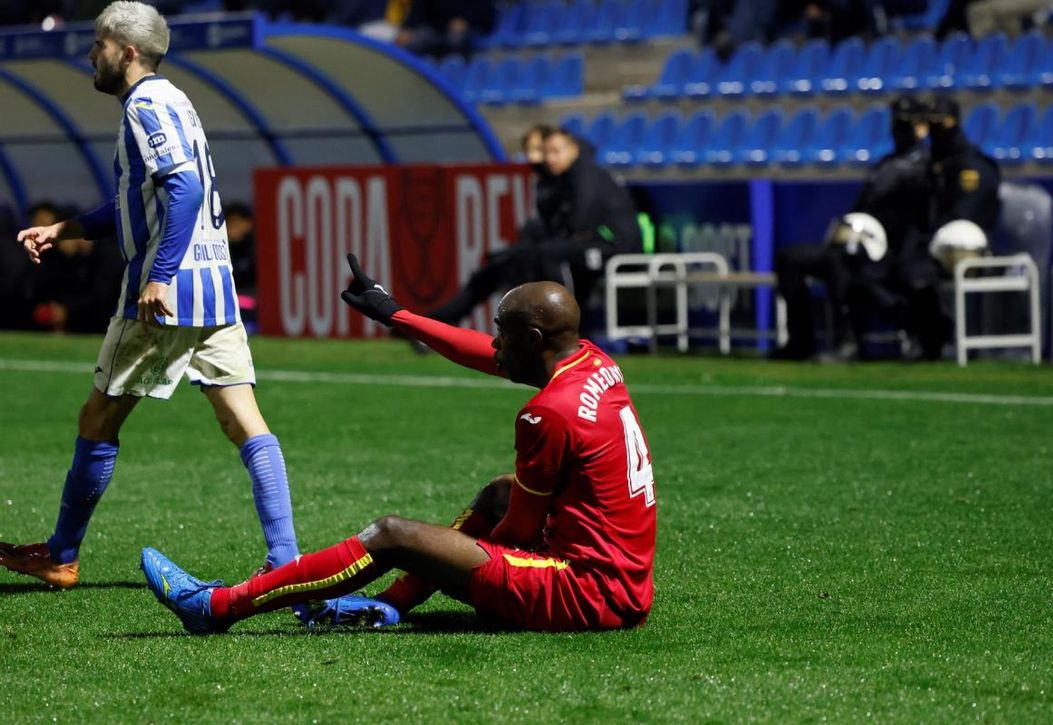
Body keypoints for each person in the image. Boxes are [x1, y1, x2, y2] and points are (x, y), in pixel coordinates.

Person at [0, 2, 379, 624]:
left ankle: (61, 554)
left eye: (97, 45)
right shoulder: (175, 100)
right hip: (216, 287)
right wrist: (63, 229)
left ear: (125, 51)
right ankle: (285, 559)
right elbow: (140, 200)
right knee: (244, 420)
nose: (89, 55)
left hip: (169, 292)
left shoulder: (145, 106)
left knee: (97, 417)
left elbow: (184, 188)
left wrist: (159, 274)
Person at [140, 259, 657, 634]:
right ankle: (387, 607)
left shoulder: (547, 413)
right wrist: (397, 315)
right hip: (623, 585)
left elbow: (519, 535)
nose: (494, 345)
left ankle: (219, 606)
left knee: (392, 534)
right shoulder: (591, 361)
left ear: (535, 339)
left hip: (584, 594)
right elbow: (487, 357)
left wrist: (449, 561)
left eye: (503, 335)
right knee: (501, 491)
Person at [428, 127, 641, 333]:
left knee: (545, 254)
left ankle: (562, 324)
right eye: (542, 152)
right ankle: (451, 321)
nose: (543, 158)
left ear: (572, 150)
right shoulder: (557, 180)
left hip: (615, 247)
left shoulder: (585, 174)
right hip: (588, 246)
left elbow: (581, 222)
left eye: (552, 151)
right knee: (512, 258)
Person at [771, 96, 931, 361]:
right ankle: (800, 341)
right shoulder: (886, 164)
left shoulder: (924, 167)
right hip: (857, 243)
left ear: (921, 127)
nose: (897, 130)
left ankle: (847, 342)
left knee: (839, 263)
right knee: (790, 258)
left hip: (889, 251)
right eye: (895, 123)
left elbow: (916, 219)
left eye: (905, 124)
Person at [891, 96, 1000, 359]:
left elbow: (964, 219)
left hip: (965, 249)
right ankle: (927, 336)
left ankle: (934, 338)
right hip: (932, 246)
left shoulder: (971, 165)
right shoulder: (931, 164)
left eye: (939, 125)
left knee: (916, 272)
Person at [27, 201, 126, 334]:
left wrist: (67, 309)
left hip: (108, 322)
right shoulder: (68, 257)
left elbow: (100, 297)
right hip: (80, 320)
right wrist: (68, 258)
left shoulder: (108, 255)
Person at [395, 0, 497, 59]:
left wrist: (466, 20)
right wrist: (407, 28)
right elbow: (418, 8)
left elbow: (485, 8)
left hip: (470, 26)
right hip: (437, 27)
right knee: (413, 41)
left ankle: (453, 78)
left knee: (455, 38)